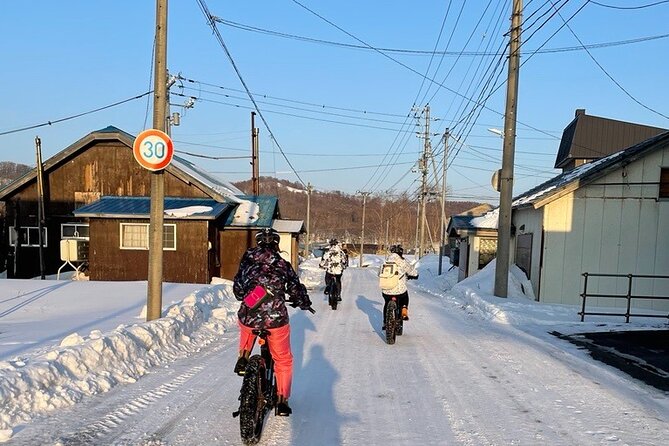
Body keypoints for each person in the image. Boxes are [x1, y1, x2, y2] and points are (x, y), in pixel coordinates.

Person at [232, 227, 312, 417]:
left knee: (246, 323)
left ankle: (243, 357)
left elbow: (238, 290)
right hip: (276, 319)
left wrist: (248, 293)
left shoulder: (248, 261)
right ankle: (282, 400)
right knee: (283, 359)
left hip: (250, 315)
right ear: (277, 244)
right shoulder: (282, 264)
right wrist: (303, 302)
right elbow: (295, 288)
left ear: (258, 243)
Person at [381, 244, 418, 330]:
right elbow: (412, 271)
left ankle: (385, 322)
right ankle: (404, 310)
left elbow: (379, 273)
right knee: (405, 297)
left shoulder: (385, 262)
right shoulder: (402, 262)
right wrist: (415, 275)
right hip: (399, 291)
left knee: (387, 303)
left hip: (386, 290)